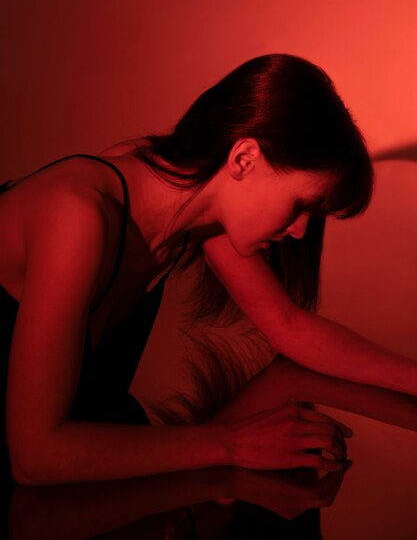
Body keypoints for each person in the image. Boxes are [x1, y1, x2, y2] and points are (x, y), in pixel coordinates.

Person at [1, 54, 416, 487]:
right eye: (300, 206)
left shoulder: (189, 209)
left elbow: (289, 327)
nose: (298, 232)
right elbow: (36, 454)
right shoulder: (79, 214)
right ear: (244, 159)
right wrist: (230, 444)